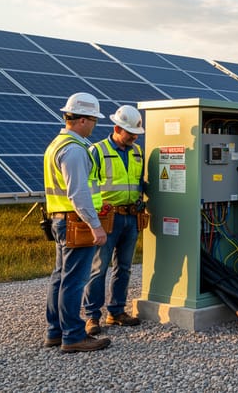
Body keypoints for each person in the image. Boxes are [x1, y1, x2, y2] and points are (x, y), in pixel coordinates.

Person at [43, 92, 111, 353]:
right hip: (76, 222)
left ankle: (55, 332)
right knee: (73, 280)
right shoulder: (74, 150)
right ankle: (73, 336)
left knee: (60, 277)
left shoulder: (56, 145)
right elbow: (78, 193)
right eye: (93, 120)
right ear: (82, 119)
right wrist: (95, 225)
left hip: (61, 219)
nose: (94, 125)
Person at [83, 105, 145, 336]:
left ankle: (117, 311)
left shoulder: (137, 152)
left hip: (131, 217)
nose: (134, 137)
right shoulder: (97, 152)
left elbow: (140, 182)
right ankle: (92, 317)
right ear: (117, 128)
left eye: (136, 133)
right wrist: (95, 217)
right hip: (107, 218)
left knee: (125, 267)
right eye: (130, 133)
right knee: (98, 269)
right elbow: (89, 185)